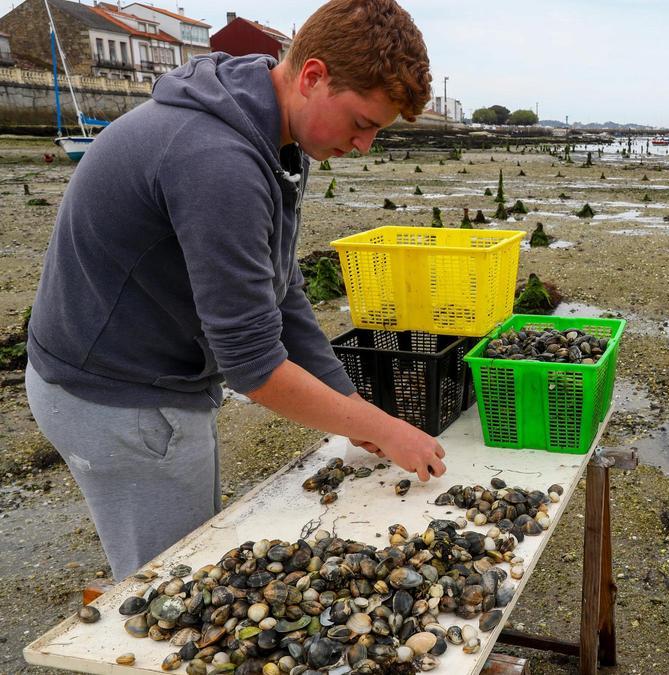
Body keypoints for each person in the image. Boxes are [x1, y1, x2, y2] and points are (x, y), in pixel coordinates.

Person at [24, 0, 445, 581]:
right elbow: (253, 365)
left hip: (148, 368)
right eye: (362, 123)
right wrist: (382, 427)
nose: (365, 145)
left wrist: (354, 410)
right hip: (115, 393)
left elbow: (281, 291)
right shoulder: (217, 159)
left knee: (193, 554)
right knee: (171, 587)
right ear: (313, 76)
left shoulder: (274, 135)